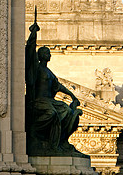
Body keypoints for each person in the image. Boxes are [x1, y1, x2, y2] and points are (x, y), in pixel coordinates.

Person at [25, 13, 87, 157]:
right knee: (52, 113)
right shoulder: (37, 69)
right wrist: (33, 34)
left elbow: (59, 87)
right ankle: (35, 131)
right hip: (39, 101)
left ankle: (60, 141)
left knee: (66, 111)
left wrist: (72, 96)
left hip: (49, 100)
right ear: (42, 55)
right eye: (47, 52)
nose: (50, 55)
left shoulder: (50, 72)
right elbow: (30, 52)